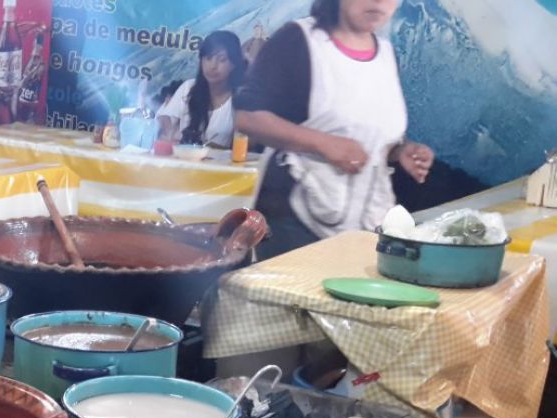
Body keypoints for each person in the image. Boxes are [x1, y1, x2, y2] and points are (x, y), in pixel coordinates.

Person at [235, 0, 434, 259]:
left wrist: (399, 150)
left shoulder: (386, 53)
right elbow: (247, 117)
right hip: (297, 221)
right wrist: (323, 143)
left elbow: (369, 132)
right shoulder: (299, 40)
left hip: (367, 224)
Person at [157, 31, 247, 148]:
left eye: (222, 59)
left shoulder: (239, 98)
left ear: (233, 64)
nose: (213, 66)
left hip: (219, 160)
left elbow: (244, 145)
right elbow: (165, 123)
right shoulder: (188, 87)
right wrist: (167, 129)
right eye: (208, 58)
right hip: (184, 157)